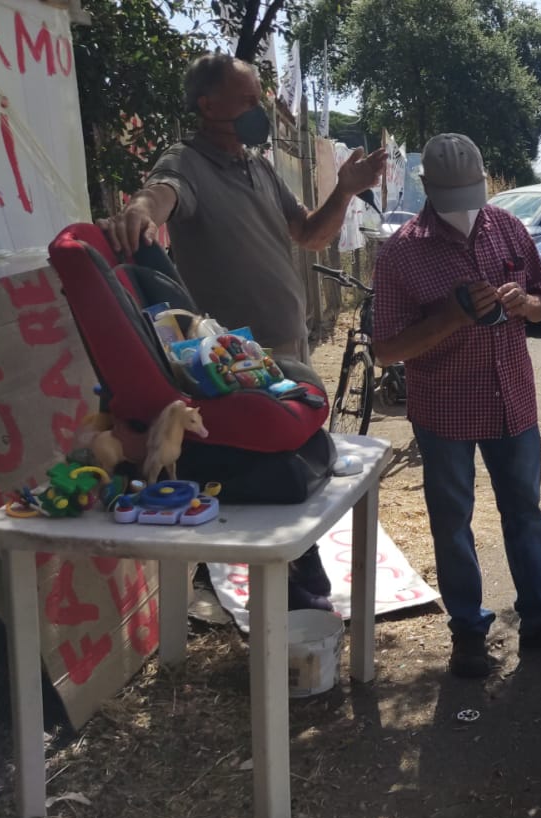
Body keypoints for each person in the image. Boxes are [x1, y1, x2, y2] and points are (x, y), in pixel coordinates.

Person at [100, 52, 386, 612]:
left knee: (294, 474)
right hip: (235, 365)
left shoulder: (259, 166)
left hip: (288, 348)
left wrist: (346, 189)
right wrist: (139, 208)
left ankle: (295, 591)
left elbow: (309, 234)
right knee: (265, 478)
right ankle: (290, 600)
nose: (260, 110)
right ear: (208, 105)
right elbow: (162, 192)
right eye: (249, 99)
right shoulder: (186, 161)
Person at [371, 134, 541, 678]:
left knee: (526, 513)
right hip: (445, 408)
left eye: (472, 192)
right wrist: (451, 317)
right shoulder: (402, 252)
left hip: (512, 400)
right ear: (428, 188)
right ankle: (468, 634)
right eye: (453, 195)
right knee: (453, 522)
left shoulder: (508, 228)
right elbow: (386, 350)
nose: (465, 206)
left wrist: (527, 305)